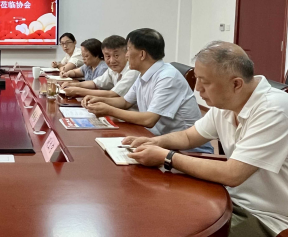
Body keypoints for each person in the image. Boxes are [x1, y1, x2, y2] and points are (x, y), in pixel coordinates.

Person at [122, 41, 288, 237]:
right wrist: (155, 141)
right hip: (240, 202)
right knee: (167, 216)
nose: (197, 89)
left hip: (278, 222)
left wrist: (166, 157)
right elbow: (189, 137)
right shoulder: (228, 103)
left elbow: (233, 174)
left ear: (236, 83)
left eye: (204, 82)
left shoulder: (275, 110)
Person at [82, 28, 213, 153]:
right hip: (157, 139)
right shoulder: (144, 74)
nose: (126, 55)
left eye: (128, 50)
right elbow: (125, 102)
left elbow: (149, 120)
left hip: (186, 150)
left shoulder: (167, 77)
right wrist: (98, 100)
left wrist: (109, 110)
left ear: (142, 54)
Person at [61, 35, 139, 99]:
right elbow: (95, 83)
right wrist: (73, 85)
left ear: (126, 54)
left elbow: (113, 94)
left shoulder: (132, 70)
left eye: (116, 55)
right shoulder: (112, 70)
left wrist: (78, 91)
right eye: (108, 56)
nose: (112, 61)